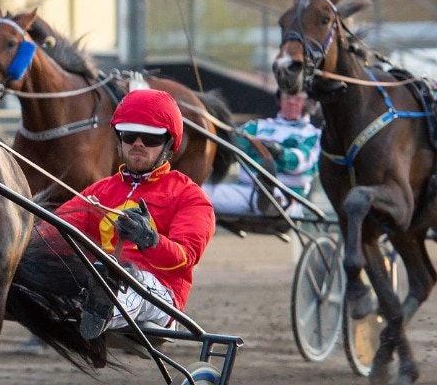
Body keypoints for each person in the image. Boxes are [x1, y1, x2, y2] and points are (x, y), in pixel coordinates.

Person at [45, 87, 217, 331]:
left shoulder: (189, 195)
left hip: (158, 290)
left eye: (150, 138)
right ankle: (96, 301)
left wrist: (149, 240)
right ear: (119, 138)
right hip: (98, 276)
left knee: (127, 280)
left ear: (168, 143)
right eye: (130, 135)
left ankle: (103, 308)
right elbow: (54, 230)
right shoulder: (100, 191)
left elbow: (185, 259)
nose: (138, 143)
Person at [204, 89, 322, 220]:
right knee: (197, 196)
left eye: (298, 99)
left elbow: (298, 163)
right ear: (280, 100)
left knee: (274, 200)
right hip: (246, 192)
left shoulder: (313, 135)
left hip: (287, 196)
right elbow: (232, 145)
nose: (291, 102)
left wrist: (279, 152)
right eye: (287, 97)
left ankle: (269, 201)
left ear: (308, 103)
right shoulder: (257, 126)